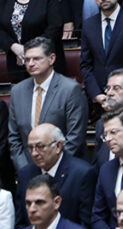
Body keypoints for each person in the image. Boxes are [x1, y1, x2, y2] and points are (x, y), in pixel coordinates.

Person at [8, 36, 87, 170]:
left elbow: (75, 137)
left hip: (63, 170)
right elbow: (14, 139)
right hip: (29, 170)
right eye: (27, 60)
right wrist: (27, 170)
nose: (31, 64)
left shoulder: (70, 89)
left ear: (52, 59)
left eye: (37, 59)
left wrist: (51, 168)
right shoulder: (17, 91)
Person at [14, 124, 96, 228]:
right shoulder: (25, 174)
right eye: (30, 148)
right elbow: (20, 223)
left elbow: (86, 225)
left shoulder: (82, 173)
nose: (34, 153)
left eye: (40, 147)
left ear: (58, 146)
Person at [0, 0, 64, 82]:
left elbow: (55, 27)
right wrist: (13, 46)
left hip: (45, 61)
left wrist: (29, 50)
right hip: (16, 63)